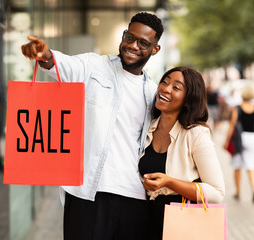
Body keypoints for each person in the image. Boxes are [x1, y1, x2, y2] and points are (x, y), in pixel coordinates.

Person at [22, 12, 163, 240]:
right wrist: (45, 56)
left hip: (135, 198)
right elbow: (62, 65)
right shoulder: (94, 66)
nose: (132, 45)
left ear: (154, 49)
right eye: (129, 37)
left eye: (143, 43)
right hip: (89, 194)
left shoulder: (153, 92)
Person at [138, 67, 225, 240]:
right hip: (146, 219)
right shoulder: (147, 127)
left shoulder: (196, 134)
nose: (166, 88)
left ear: (189, 99)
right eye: (165, 81)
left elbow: (217, 193)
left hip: (182, 221)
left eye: (176, 87)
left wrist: (169, 181)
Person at [224, 85, 254, 202]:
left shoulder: (238, 108)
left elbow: (232, 125)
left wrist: (226, 141)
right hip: (252, 138)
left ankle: (238, 192)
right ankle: (253, 188)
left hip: (240, 139)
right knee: (251, 166)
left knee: (237, 166)